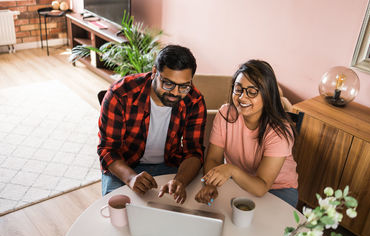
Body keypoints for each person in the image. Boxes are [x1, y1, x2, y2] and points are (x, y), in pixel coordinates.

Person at [98, 45, 206, 204]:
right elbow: (108, 150)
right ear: (155, 72)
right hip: (125, 165)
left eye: (184, 86)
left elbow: (194, 152)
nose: (175, 93)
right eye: (168, 84)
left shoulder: (194, 101)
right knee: (118, 213)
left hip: (170, 166)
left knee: (181, 212)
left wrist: (180, 181)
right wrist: (130, 178)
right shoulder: (121, 94)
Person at [195, 59, 298, 207]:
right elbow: (213, 159)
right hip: (239, 181)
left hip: (278, 190)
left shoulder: (279, 131)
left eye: (252, 92)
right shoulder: (225, 114)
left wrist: (230, 170)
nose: (242, 97)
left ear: (267, 94)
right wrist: (211, 184)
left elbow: (261, 187)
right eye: (238, 89)